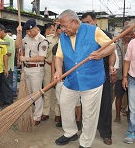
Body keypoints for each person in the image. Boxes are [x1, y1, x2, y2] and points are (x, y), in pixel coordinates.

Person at [54, 9, 115, 147]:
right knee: (64, 104)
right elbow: (59, 56)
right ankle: (70, 132)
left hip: (92, 80)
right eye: (61, 26)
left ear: (75, 22)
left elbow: (111, 46)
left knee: (89, 114)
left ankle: (86, 142)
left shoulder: (94, 31)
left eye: (64, 26)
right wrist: (58, 70)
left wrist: (101, 54)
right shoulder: (63, 37)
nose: (62, 29)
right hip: (72, 80)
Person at [81, 12, 116, 145]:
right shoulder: (81, 36)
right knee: (87, 105)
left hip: (103, 74)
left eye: (88, 22)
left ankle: (106, 133)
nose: (86, 25)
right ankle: (87, 131)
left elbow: (112, 53)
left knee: (105, 104)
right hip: (87, 75)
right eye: (83, 22)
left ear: (95, 21)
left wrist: (111, 66)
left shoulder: (106, 35)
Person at [15, 18, 48, 125]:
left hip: (36, 70)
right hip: (27, 69)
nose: (29, 33)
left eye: (31, 31)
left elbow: (41, 58)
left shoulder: (42, 40)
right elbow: (17, 45)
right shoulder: (27, 37)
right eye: (27, 32)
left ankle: (37, 116)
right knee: (28, 93)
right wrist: (18, 33)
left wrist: (26, 59)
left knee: (36, 93)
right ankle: (29, 113)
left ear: (36, 28)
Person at [114, 25, 133, 123]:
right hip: (120, 75)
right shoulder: (116, 44)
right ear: (122, 34)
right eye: (127, 34)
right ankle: (117, 116)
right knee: (119, 96)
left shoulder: (133, 44)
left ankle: (130, 117)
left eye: (131, 34)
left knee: (131, 98)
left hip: (131, 75)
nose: (129, 36)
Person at [41, 23, 60, 122]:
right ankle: (46, 112)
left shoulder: (65, 38)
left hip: (61, 68)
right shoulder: (47, 39)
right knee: (47, 90)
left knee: (58, 91)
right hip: (48, 66)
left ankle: (58, 113)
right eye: (55, 27)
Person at [122, 36, 135, 144]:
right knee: (133, 107)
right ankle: (132, 132)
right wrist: (125, 77)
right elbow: (127, 61)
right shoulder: (133, 43)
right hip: (133, 79)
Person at [0, 24, 15, 106]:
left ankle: (9, 102)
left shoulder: (10, 40)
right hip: (0, 67)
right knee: (2, 85)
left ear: (2, 31)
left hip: (8, 67)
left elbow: (8, 53)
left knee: (8, 85)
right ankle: (2, 100)